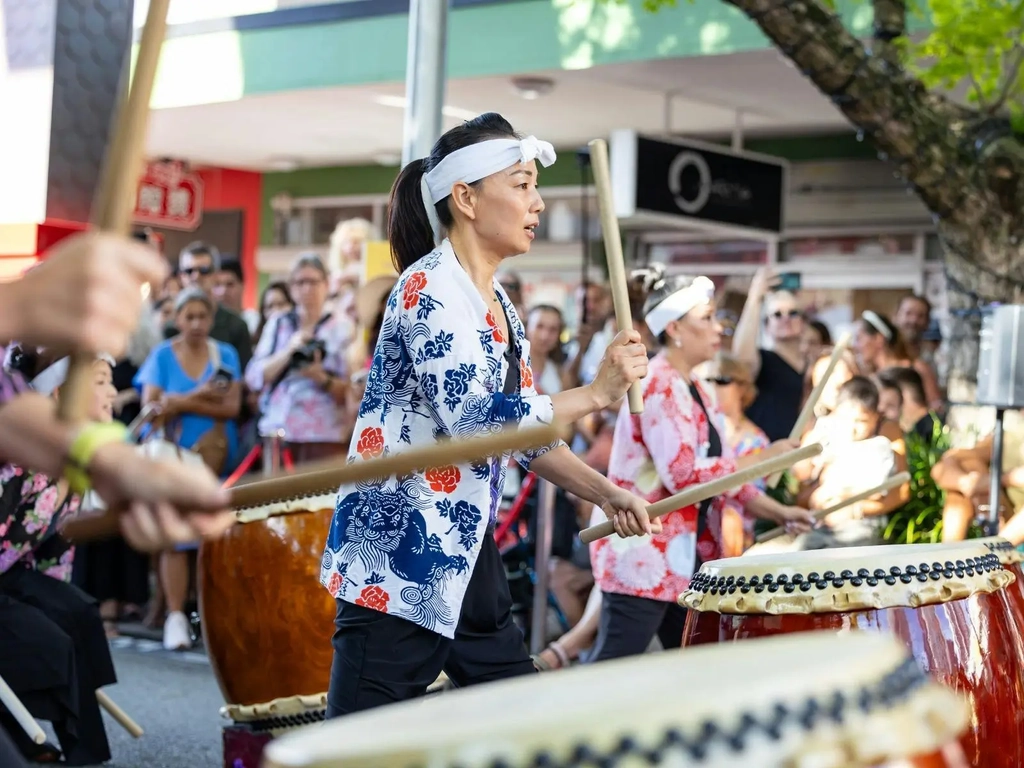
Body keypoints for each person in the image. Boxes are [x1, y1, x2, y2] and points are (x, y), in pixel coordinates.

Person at [320, 113, 653, 717]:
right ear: (466, 198)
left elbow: (526, 437)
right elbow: (477, 421)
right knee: (353, 748)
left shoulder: (498, 302)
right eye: (522, 184)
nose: (539, 202)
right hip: (396, 554)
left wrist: (606, 492)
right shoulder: (426, 287)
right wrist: (596, 393)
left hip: (466, 547)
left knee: (517, 722)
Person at [586, 273, 815, 662]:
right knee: (615, 667)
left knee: (696, 660)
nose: (718, 329)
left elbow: (722, 475)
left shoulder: (697, 387)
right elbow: (684, 476)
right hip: (644, 548)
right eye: (706, 319)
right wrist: (763, 457)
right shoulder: (657, 382)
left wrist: (779, 512)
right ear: (674, 328)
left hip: (681, 557)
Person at [0, 355, 119, 764]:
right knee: (42, 640)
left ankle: (84, 750)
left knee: (77, 614)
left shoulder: (77, 460)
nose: (114, 392)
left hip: (12, 573)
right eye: (100, 382)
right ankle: (16, 736)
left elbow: (53, 551)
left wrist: (54, 604)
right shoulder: (22, 456)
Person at [136, 288, 243, 650]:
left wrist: (177, 402)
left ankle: (207, 615)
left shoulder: (224, 353)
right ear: (177, 319)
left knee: (209, 538)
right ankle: (175, 616)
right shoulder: (162, 354)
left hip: (214, 460)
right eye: (189, 316)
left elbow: (232, 408)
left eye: (203, 316)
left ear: (212, 319)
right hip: (172, 460)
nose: (197, 324)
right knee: (175, 537)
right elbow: (150, 407)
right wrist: (202, 396)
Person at [245, 253, 353, 464]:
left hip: (325, 431)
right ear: (291, 287)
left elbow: (352, 391)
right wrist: (289, 351)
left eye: (313, 282)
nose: (307, 289)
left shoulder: (342, 326)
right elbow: (253, 376)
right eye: (300, 282)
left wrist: (320, 376)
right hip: (279, 429)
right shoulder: (279, 323)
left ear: (326, 284)